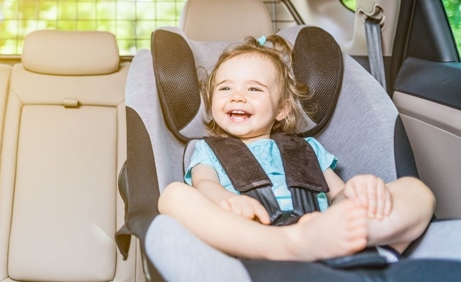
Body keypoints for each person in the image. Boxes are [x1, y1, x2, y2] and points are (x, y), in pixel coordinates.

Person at [157, 34, 435, 262]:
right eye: (225, 89)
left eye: (254, 89)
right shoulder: (207, 150)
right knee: (172, 195)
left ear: (282, 109)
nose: (237, 96)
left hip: (322, 230)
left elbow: (336, 195)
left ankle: (367, 236)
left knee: (417, 191)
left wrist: (357, 192)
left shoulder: (306, 148)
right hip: (252, 237)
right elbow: (204, 185)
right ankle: (285, 244)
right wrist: (225, 201)